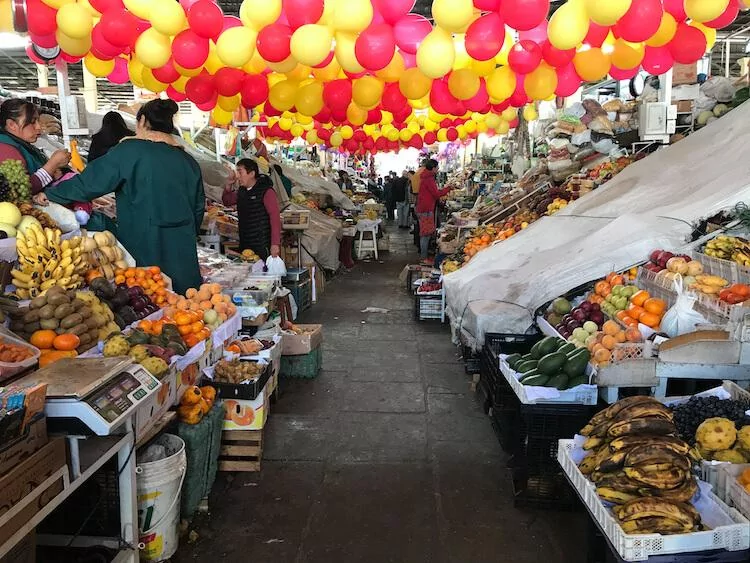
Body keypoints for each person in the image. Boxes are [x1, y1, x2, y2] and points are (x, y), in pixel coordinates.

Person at [46, 99, 204, 294]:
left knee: (151, 304)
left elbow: (88, 184)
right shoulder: (188, 161)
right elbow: (198, 210)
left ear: (142, 121)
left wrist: (49, 194)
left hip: (145, 246)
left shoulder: (130, 151)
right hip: (183, 251)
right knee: (189, 309)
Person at [0, 99, 70, 197]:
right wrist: (52, 165)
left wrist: (53, 173)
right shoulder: (6, 149)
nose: (38, 127)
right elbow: (19, 190)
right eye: (32, 122)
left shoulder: (21, 144)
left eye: (37, 121)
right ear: (12, 125)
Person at [223, 159, 281, 261]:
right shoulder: (241, 191)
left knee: (263, 274)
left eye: (240, 172)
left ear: (252, 173)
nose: (238, 176)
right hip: (245, 242)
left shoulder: (266, 191)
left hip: (262, 244)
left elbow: (275, 218)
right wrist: (228, 185)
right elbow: (227, 201)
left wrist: (275, 244)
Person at [416, 159, 451, 263]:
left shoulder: (426, 177)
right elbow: (436, 194)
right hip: (426, 209)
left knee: (425, 234)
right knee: (425, 234)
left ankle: (424, 256)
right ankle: (424, 258)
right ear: (434, 168)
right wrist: (448, 189)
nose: (438, 169)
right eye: (437, 167)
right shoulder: (429, 179)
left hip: (423, 207)